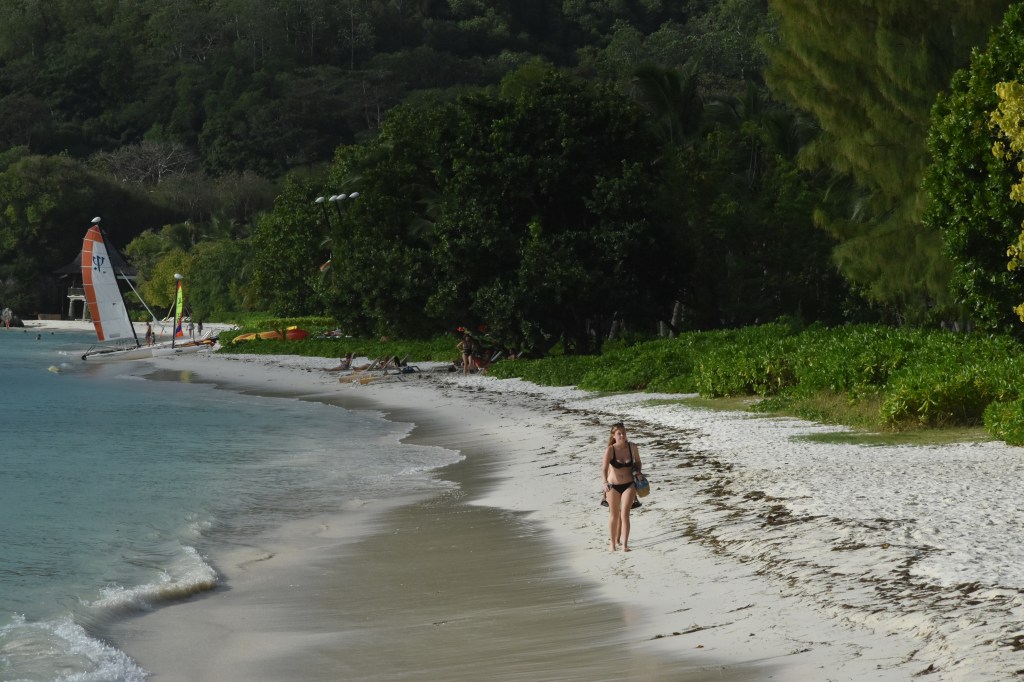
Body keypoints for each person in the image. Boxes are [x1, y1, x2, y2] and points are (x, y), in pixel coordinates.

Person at [600, 421, 642, 552]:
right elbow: (604, 469)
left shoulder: (632, 447)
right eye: (619, 434)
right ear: (613, 436)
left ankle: (624, 545)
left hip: (629, 484)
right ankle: (612, 544)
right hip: (613, 486)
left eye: (624, 433)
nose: (622, 436)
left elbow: (639, 462)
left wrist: (638, 472)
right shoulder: (610, 450)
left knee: (625, 514)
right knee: (614, 515)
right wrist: (605, 483)